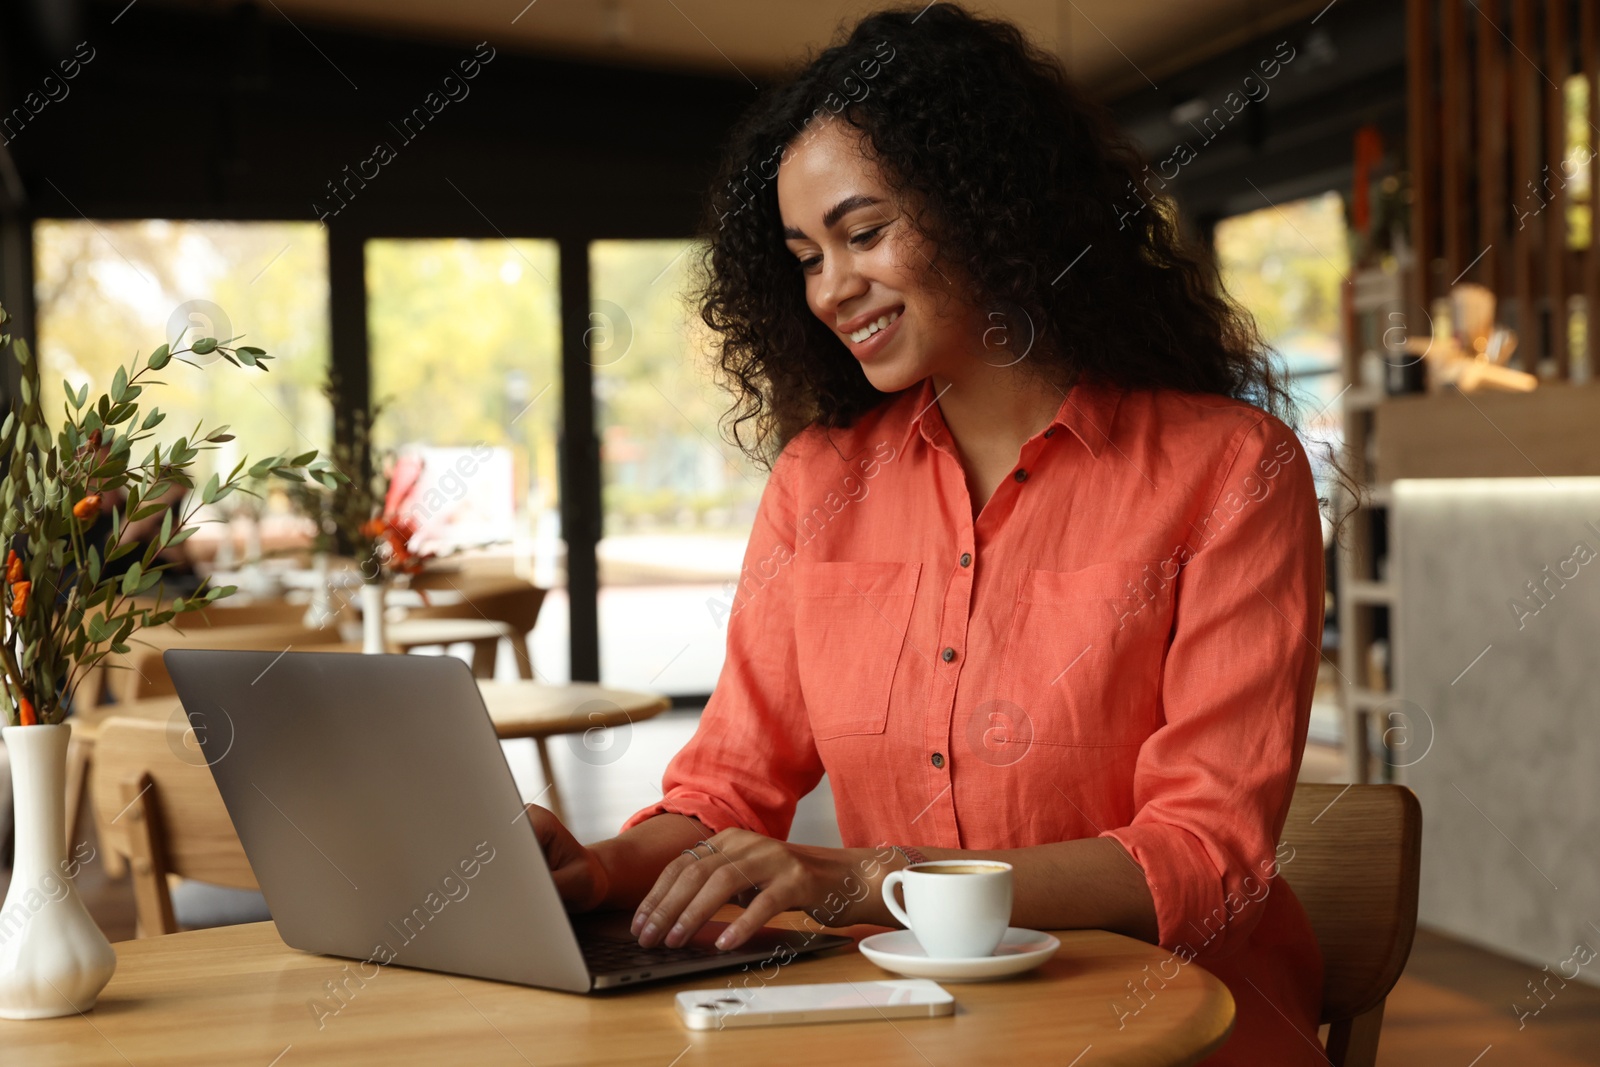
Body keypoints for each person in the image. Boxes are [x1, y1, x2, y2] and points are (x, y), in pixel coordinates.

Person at [529, 5, 1331, 1062]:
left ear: (990, 208)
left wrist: (863, 878)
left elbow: (1202, 853)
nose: (830, 289)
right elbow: (725, 790)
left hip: (1168, 1028)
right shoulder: (820, 482)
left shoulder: (1232, 469)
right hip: (911, 1032)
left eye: (864, 233)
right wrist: (595, 869)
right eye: (806, 254)